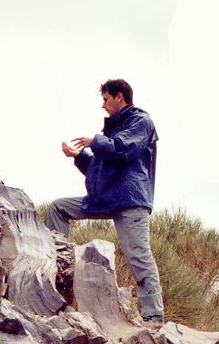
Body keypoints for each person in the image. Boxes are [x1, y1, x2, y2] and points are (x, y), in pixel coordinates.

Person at [45, 79, 164, 326]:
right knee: (58, 207)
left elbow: (122, 149)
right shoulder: (114, 130)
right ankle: (56, 271)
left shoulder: (141, 122)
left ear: (119, 97)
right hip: (107, 198)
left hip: (131, 201)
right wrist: (79, 156)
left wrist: (95, 141)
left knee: (139, 256)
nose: (103, 106)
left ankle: (153, 315)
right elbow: (98, 170)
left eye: (106, 99)